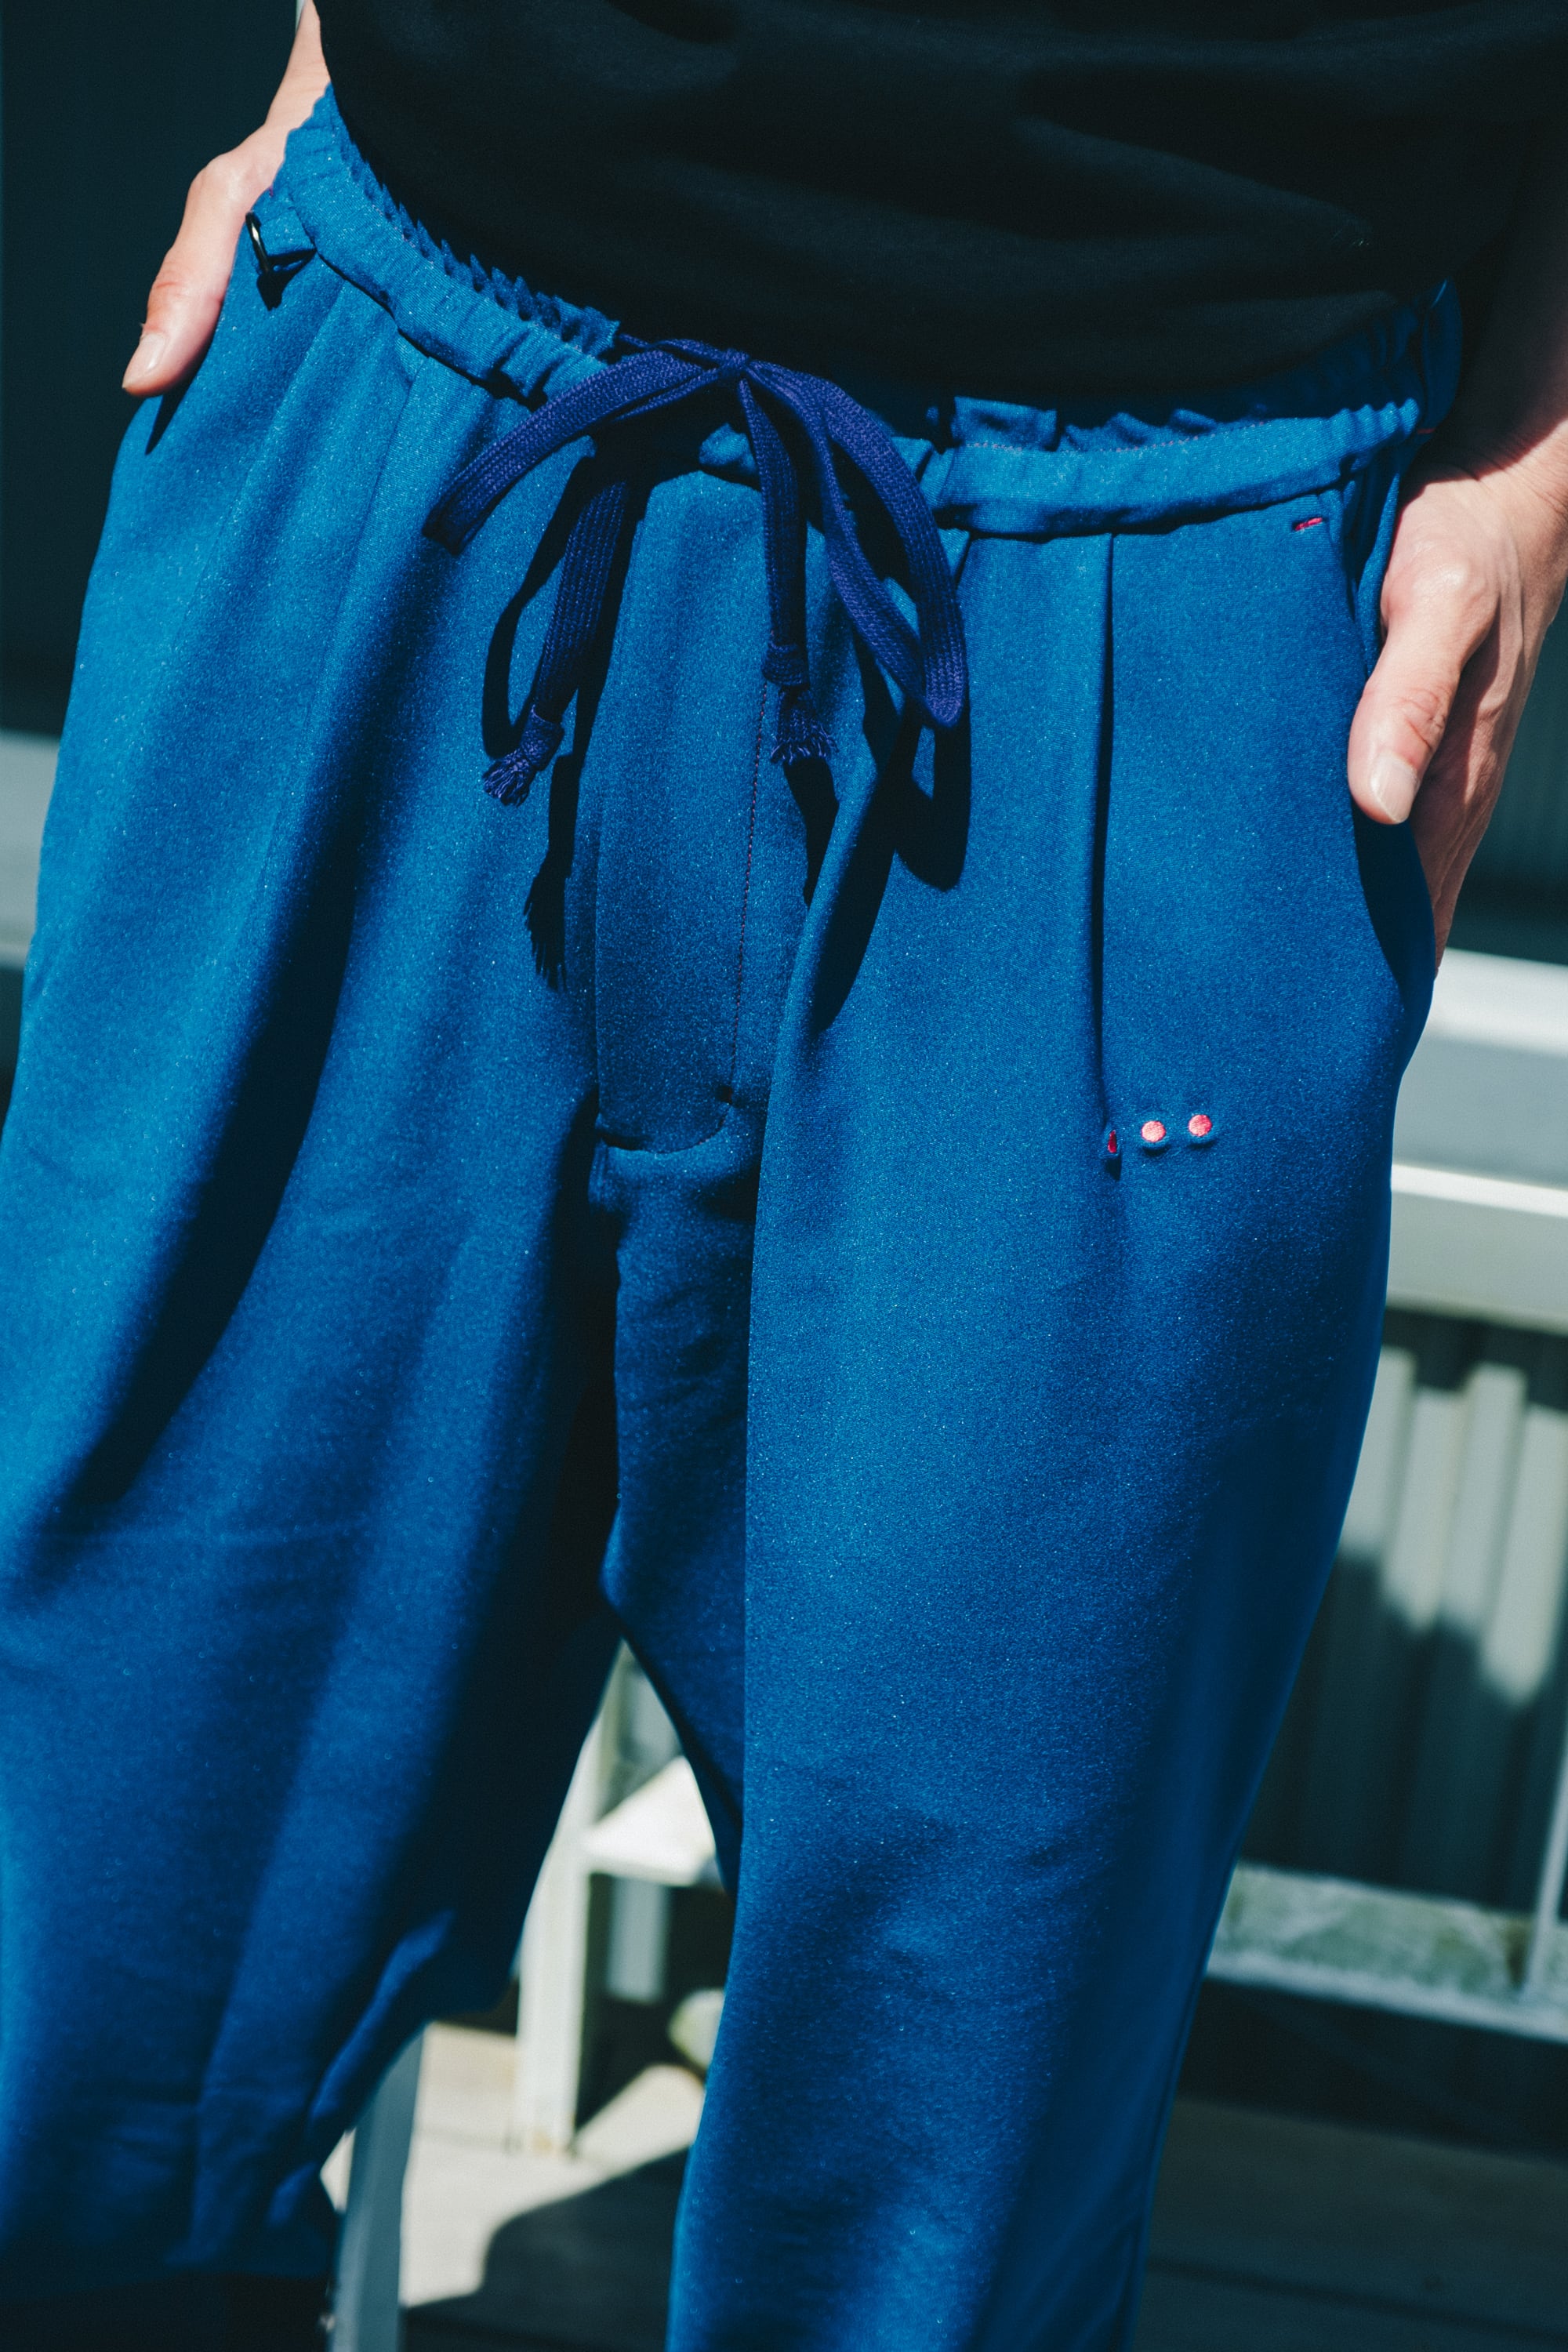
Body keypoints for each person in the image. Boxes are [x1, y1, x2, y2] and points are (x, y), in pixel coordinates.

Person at [3, 4, 1567, 2346]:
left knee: (934, 2181)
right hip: (411, 430)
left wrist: (1538, 448)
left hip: (1150, 597)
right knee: (61, 1968)